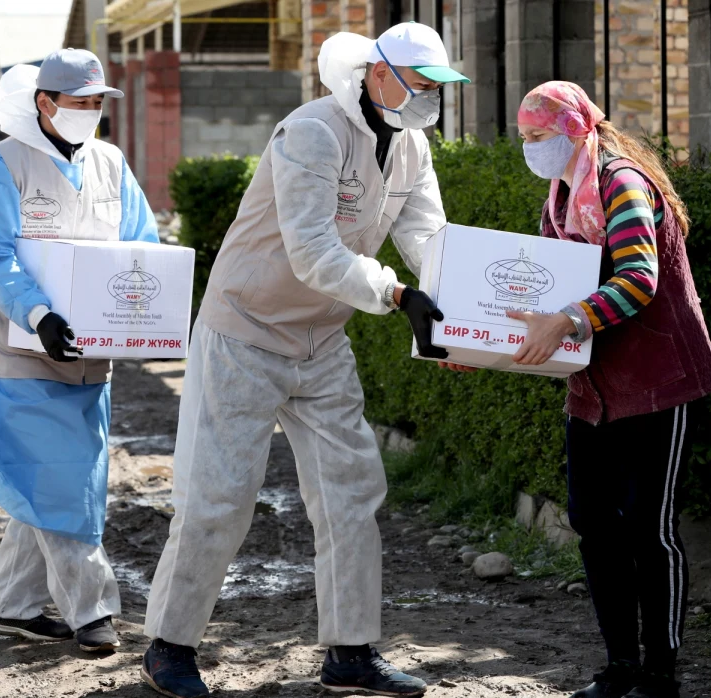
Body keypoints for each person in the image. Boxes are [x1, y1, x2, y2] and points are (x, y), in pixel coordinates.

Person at [139, 23, 466, 698]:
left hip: (320, 344)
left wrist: (462, 318)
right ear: (377, 73)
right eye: (421, 81)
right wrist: (398, 295)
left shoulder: (411, 149)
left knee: (350, 498)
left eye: (438, 85)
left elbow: (430, 238)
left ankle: (351, 654)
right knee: (220, 499)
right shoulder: (311, 132)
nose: (431, 95)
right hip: (244, 332)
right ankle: (168, 648)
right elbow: (312, 252)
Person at [449, 81, 711, 698]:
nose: (531, 149)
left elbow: (640, 281)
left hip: (656, 382)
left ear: (573, 129)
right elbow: (535, 295)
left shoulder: (620, 183)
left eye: (539, 136)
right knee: (594, 523)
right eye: (525, 138)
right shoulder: (562, 193)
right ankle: (621, 664)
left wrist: (569, 321)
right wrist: (475, 345)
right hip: (593, 389)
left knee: (650, 530)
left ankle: (661, 672)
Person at [0, 50, 158, 653]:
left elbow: (141, 245)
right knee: (67, 483)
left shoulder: (110, 162)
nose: (92, 112)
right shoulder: (0, 167)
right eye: (81, 102)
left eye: (99, 102)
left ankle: (11, 606)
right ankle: (91, 611)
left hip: (92, 358)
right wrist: (39, 314)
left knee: (46, 478)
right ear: (45, 102)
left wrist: (149, 312)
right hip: (27, 352)